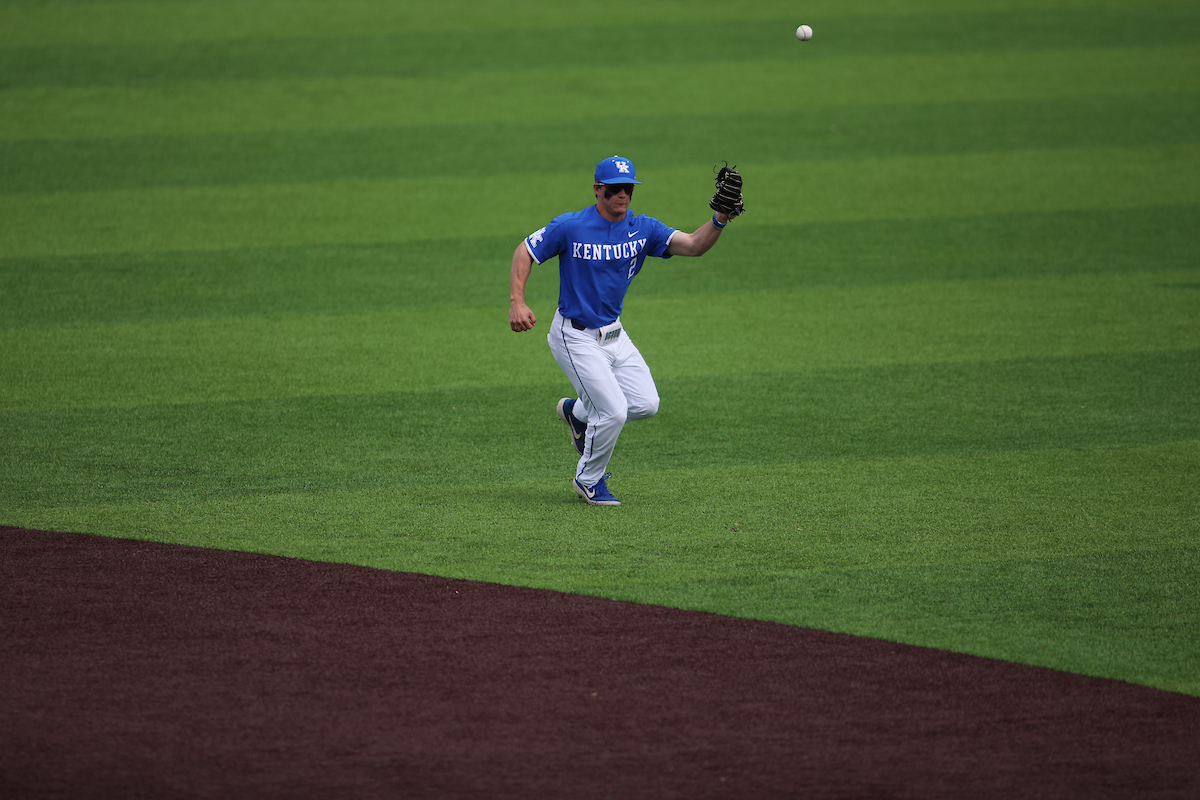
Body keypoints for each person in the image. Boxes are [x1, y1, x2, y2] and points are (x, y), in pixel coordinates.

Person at [509, 155, 742, 506]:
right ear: (597, 189)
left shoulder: (643, 228)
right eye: (615, 188)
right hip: (574, 335)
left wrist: (720, 219)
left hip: (614, 334)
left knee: (646, 403)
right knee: (614, 412)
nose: (622, 194)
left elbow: (694, 245)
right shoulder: (570, 226)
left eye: (628, 188)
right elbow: (525, 250)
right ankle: (588, 480)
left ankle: (578, 414)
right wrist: (517, 301)